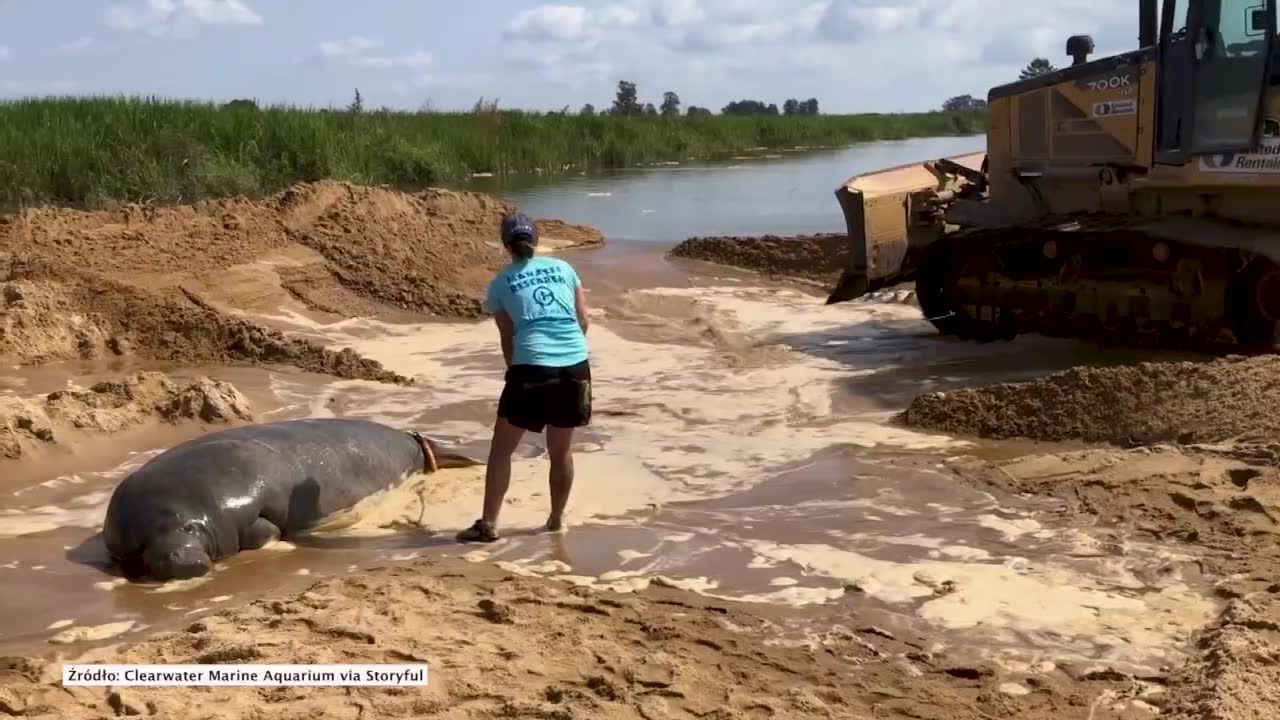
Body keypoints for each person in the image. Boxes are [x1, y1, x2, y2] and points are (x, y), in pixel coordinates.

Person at [456, 211, 592, 543]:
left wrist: (515, 372)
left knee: (502, 451)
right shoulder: (564, 269)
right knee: (561, 452)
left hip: (530, 366)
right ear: (537, 240)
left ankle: (488, 524)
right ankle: (556, 520)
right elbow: (583, 321)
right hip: (575, 364)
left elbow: (508, 338)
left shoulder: (500, 283)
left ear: (506, 244)